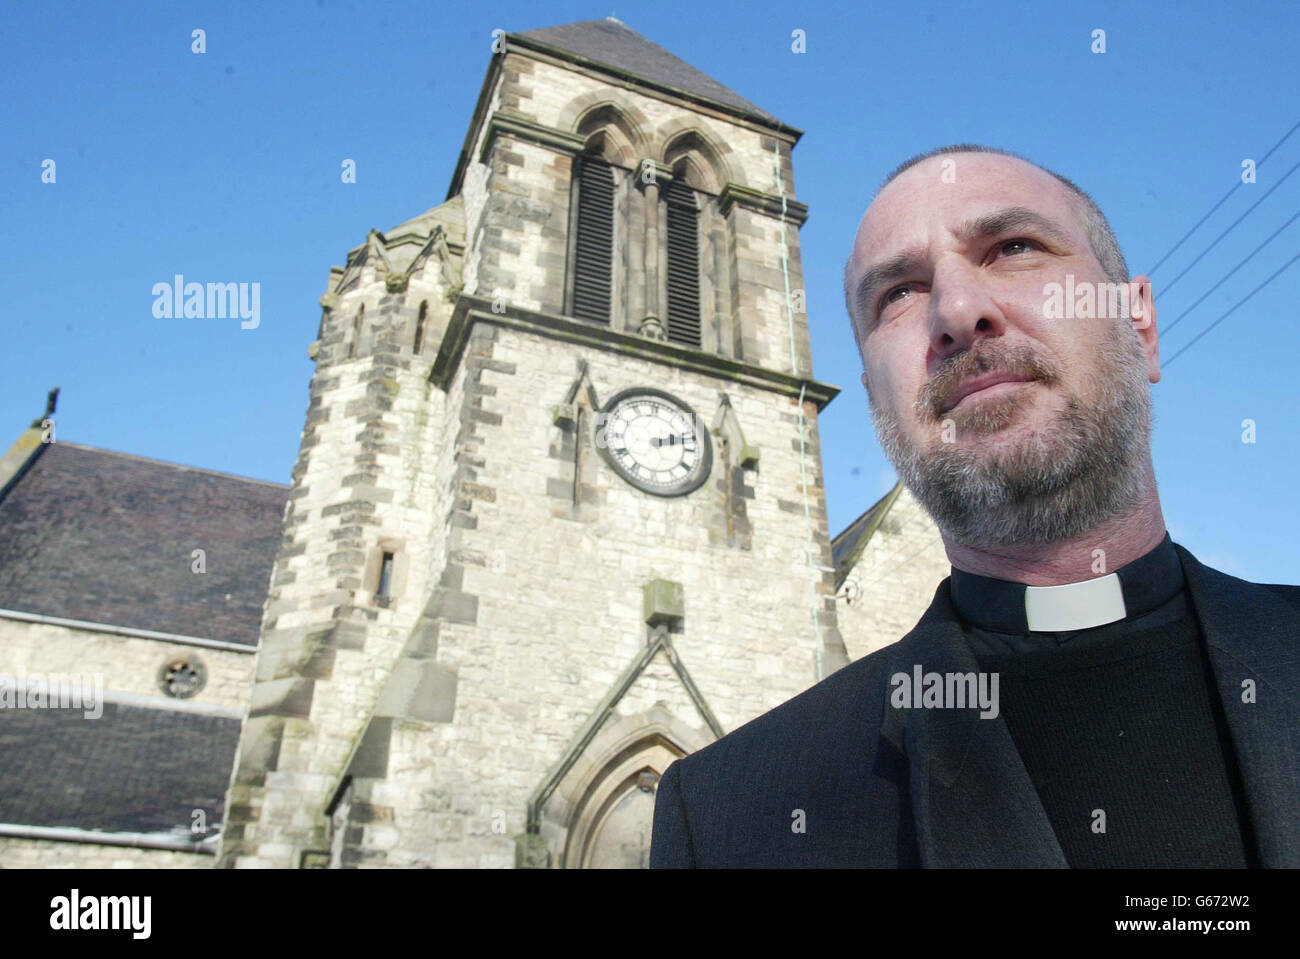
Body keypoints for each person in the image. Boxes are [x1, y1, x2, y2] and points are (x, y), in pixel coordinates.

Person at [649, 145, 1300, 868]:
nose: (957, 311)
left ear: (1138, 323)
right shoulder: (730, 822)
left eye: (1014, 247)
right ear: (875, 403)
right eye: (898, 292)